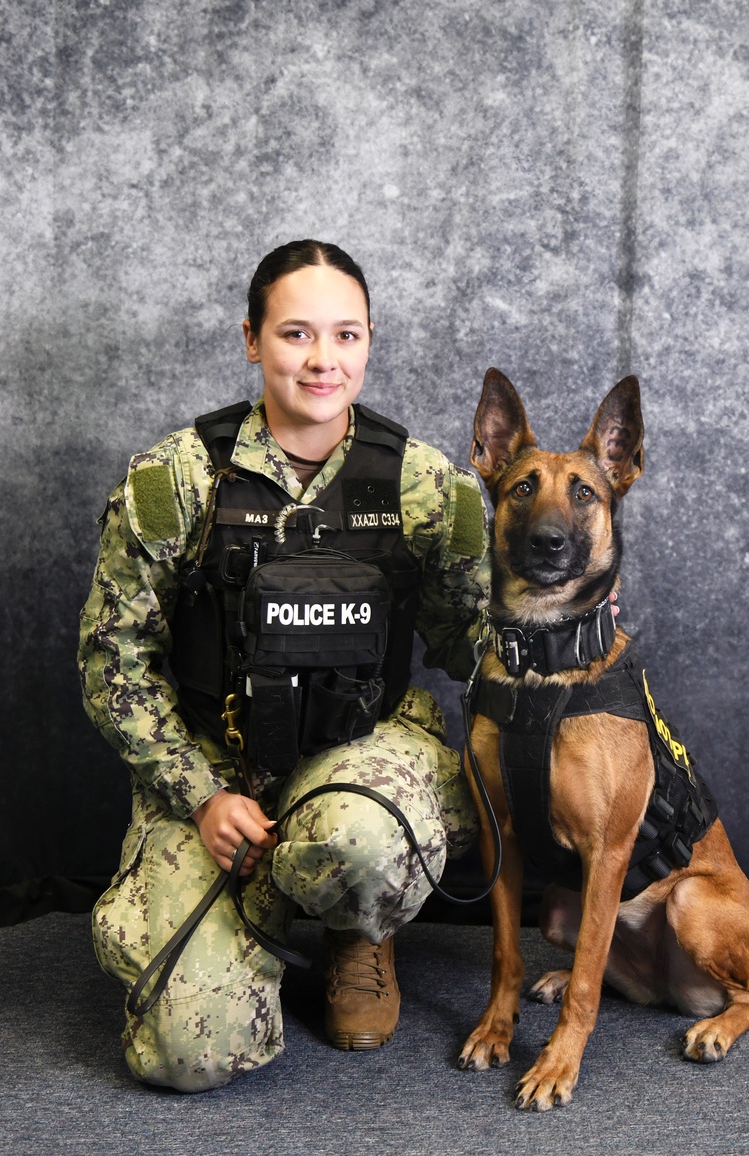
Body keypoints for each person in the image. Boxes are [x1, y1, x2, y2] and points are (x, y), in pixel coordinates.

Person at [78, 240, 488, 1092]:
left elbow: (470, 644)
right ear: (252, 339)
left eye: (346, 335)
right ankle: (256, 909)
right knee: (186, 1055)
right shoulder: (179, 478)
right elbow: (112, 660)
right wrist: (198, 795)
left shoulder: (427, 487)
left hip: (357, 756)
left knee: (359, 840)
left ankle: (356, 928)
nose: (323, 360)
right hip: (217, 769)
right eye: (297, 334)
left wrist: (562, 612)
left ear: (370, 340)